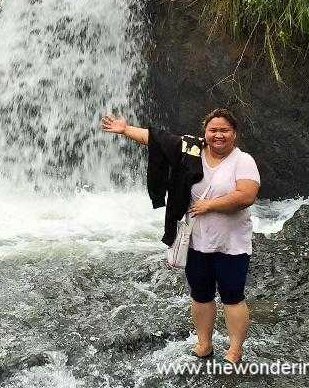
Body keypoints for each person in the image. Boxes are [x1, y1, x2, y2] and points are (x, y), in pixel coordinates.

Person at [100, 108, 260, 364]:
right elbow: (157, 139)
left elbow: (246, 195)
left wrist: (211, 205)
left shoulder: (243, 161)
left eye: (224, 130)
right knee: (200, 294)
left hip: (231, 244)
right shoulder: (191, 149)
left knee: (232, 295)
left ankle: (234, 349)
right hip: (195, 241)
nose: (218, 135)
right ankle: (204, 344)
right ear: (205, 132)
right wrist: (125, 129)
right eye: (213, 130)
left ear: (234, 134)